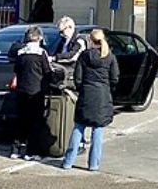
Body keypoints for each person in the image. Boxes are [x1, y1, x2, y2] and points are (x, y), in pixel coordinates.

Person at [60, 29, 119, 172]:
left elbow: (78, 77)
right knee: (97, 129)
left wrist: (81, 89)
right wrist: (108, 89)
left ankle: (68, 161)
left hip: (86, 93)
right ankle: (93, 164)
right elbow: (115, 78)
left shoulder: (85, 56)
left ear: (90, 40)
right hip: (102, 95)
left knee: (79, 126)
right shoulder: (110, 57)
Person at [9, 25, 52, 160]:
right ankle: (31, 152)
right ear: (39, 38)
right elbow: (48, 72)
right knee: (36, 122)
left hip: (21, 90)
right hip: (36, 92)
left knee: (21, 120)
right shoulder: (41, 53)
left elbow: (17, 69)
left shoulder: (21, 53)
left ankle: (15, 149)